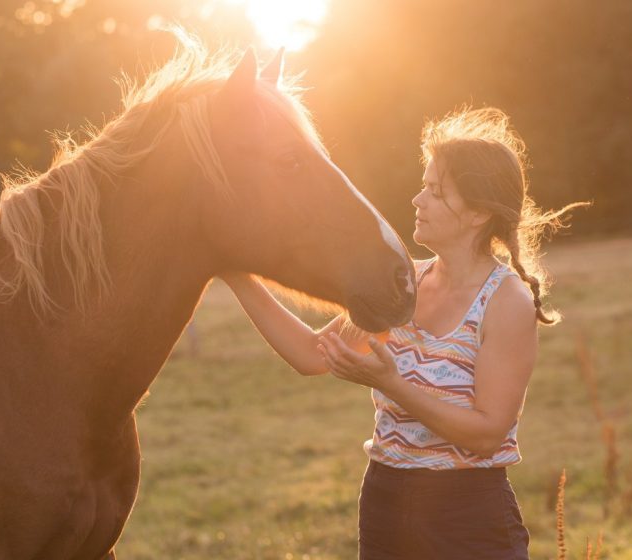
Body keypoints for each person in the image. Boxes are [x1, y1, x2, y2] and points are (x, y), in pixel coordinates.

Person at [222, 106, 585, 559]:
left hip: (468, 518)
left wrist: (390, 383)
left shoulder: (506, 301)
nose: (417, 200)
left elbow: (487, 433)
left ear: (476, 213)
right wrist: (236, 272)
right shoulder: (403, 285)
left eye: (435, 191)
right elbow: (311, 353)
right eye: (423, 187)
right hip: (384, 503)